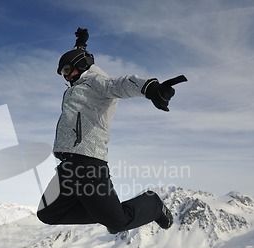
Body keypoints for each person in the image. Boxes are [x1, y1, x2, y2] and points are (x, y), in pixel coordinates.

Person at [37, 28, 186, 234]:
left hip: (88, 164)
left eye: (67, 70)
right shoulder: (81, 81)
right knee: (47, 214)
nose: (66, 76)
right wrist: (81, 43)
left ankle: (152, 205)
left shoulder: (97, 82)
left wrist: (151, 88)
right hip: (68, 167)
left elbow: (122, 84)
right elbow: (79, 56)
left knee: (118, 223)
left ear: (81, 65)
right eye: (63, 73)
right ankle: (104, 211)